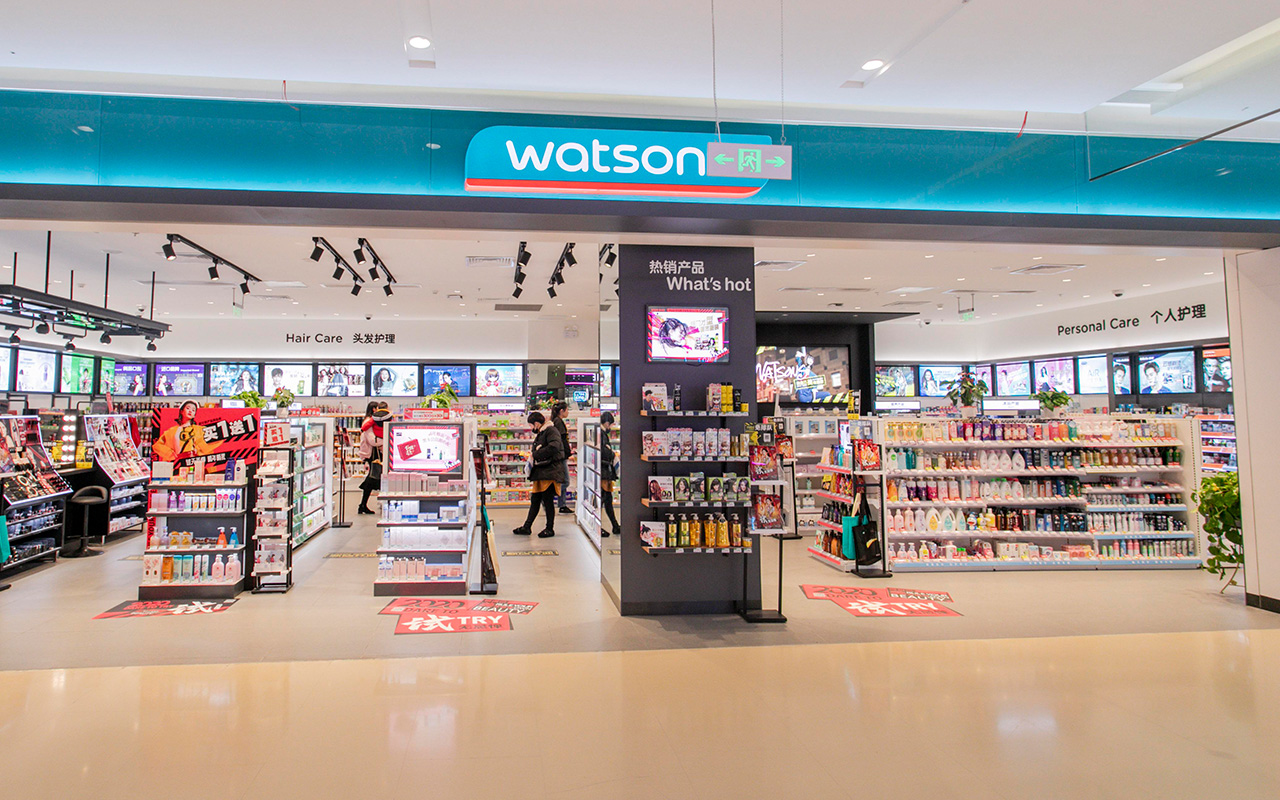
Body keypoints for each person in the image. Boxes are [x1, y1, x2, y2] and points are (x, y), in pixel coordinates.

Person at [514, 411, 567, 538]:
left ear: (536, 423)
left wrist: (536, 454)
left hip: (549, 472)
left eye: (531, 425)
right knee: (536, 500)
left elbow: (554, 446)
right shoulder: (543, 432)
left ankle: (549, 528)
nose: (531, 428)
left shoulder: (551, 430)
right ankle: (527, 527)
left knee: (547, 501)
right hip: (542, 472)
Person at [357, 402, 391, 514]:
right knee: (373, 477)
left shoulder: (374, 421)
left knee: (374, 477)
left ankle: (364, 505)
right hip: (372, 454)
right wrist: (386, 439)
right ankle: (363, 505)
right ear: (373, 409)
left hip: (375, 453)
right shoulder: (368, 422)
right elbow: (373, 441)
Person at [599, 411, 620, 537]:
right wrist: (612, 453)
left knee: (607, 499)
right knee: (604, 499)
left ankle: (615, 526)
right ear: (607, 423)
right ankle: (599, 527)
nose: (610, 427)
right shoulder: (601, 434)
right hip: (603, 471)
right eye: (611, 424)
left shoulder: (599, 433)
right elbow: (603, 451)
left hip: (603, 471)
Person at [551, 402, 573, 513]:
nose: (568, 412)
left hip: (560, 455)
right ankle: (548, 495)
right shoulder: (558, 422)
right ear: (561, 411)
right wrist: (568, 453)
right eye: (567, 410)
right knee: (566, 482)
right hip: (561, 456)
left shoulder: (556, 421)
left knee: (562, 480)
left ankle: (562, 505)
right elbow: (562, 441)